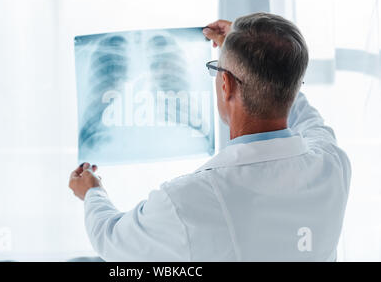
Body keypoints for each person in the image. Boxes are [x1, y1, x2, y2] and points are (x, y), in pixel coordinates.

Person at [69, 13, 351, 261]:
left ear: (225, 84)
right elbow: (308, 118)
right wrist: (259, 59)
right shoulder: (333, 165)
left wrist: (92, 193)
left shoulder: (187, 200)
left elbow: (112, 240)